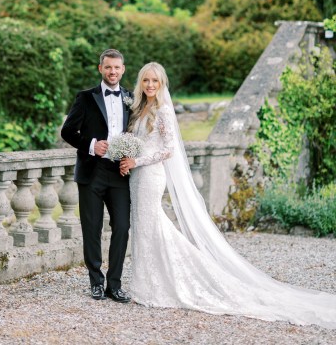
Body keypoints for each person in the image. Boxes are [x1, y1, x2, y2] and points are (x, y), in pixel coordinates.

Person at [119, 62, 336, 328]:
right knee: (142, 227)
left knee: (151, 225)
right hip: (137, 176)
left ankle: (156, 286)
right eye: (146, 81)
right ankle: (145, 284)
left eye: (155, 81)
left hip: (151, 175)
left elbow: (168, 150)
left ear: (162, 84)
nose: (150, 85)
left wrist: (137, 162)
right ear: (140, 83)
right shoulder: (139, 109)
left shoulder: (163, 110)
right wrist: (127, 156)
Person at [61, 49, 132, 303]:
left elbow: (137, 134)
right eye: (108, 67)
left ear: (123, 69)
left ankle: (115, 283)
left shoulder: (131, 98)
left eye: (117, 67)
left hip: (120, 173)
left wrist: (131, 156)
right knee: (92, 228)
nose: (113, 72)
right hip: (92, 172)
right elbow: (68, 131)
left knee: (122, 227)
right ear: (100, 68)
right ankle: (96, 282)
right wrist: (91, 144)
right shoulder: (85, 97)